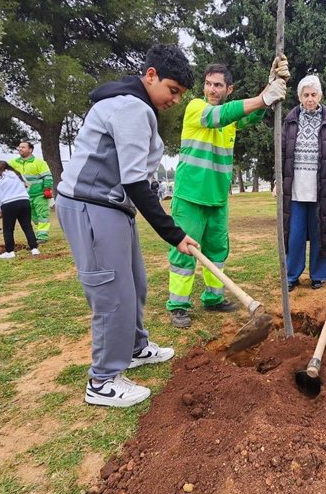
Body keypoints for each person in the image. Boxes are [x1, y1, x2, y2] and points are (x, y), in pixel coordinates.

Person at [56, 44, 199, 408]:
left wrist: (170, 228)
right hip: (90, 205)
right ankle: (102, 381)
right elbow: (136, 182)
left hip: (114, 207)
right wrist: (174, 234)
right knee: (111, 292)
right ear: (150, 75)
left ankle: (136, 347)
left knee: (135, 281)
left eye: (180, 95)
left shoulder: (137, 106)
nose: (175, 100)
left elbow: (142, 180)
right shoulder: (131, 107)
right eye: (173, 90)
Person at [167, 58, 289, 328]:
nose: (211, 89)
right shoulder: (196, 108)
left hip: (218, 198)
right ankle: (178, 305)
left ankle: (213, 298)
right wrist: (263, 97)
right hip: (190, 197)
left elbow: (250, 114)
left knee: (217, 251)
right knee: (183, 254)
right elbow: (222, 115)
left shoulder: (229, 118)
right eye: (208, 84)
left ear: (229, 89)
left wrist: (270, 88)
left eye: (218, 85)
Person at [282, 75, 326, 292]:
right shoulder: (290, 121)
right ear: (299, 97)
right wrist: (277, 180)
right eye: (305, 95)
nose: (309, 99)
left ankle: (318, 276)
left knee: (321, 232)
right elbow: (281, 153)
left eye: (313, 94)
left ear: (320, 95)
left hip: (323, 189)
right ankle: (292, 276)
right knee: (295, 235)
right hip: (296, 189)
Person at [0, 160, 40, 258]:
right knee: (27, 226)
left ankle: (10, 251)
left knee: (8, 229)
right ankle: (34, 249)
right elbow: (26, 186)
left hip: (8, 204)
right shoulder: (17, 174)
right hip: (24, 201)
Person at [9, 141, 53, 242]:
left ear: (30, 149)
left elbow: (47, 176)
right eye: (19, 147)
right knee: (33, 216)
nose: (20, 149)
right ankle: (39, 233)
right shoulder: (13, 163)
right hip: (24, 195)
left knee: (42, 214)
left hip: (39, 194)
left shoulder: (39, 162)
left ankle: (42, 236)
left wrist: (47, 189)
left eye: (23, 147)